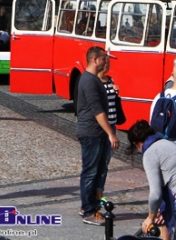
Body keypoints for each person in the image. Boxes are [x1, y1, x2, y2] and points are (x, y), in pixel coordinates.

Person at [76, 46, 120, 226]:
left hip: (96, 133)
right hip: (91, 132)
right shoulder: (89, 81)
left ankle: (91, 205)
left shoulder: (93, 79)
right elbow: (97, 111)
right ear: (95, 60)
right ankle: (88, 211)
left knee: (97, 170)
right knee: (90, 172)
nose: (106, 62)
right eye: (103, 59)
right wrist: (111, 134)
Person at [96, 54, 120, 208]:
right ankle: (95, 195)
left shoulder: (110, 80)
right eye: (106, 63)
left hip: (112, 124)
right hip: (100, 128)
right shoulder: (95, 82)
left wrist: (116, 90)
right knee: (96, 163)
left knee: (105, 162)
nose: (108, 65)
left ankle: (100, 192)